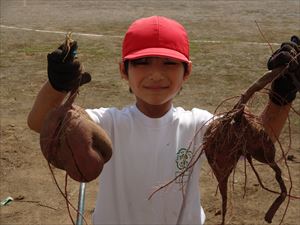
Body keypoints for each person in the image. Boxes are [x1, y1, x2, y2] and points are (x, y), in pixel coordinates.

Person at [27, 16, 299, 224]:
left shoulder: (199, 125)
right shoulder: (108, 122)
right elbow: (41, 122)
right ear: (124, 70)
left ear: (187, 72)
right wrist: (57, 85)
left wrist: (281, 96)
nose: (156, 74)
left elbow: (261, 140)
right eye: (143, 61)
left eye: (169, 63)